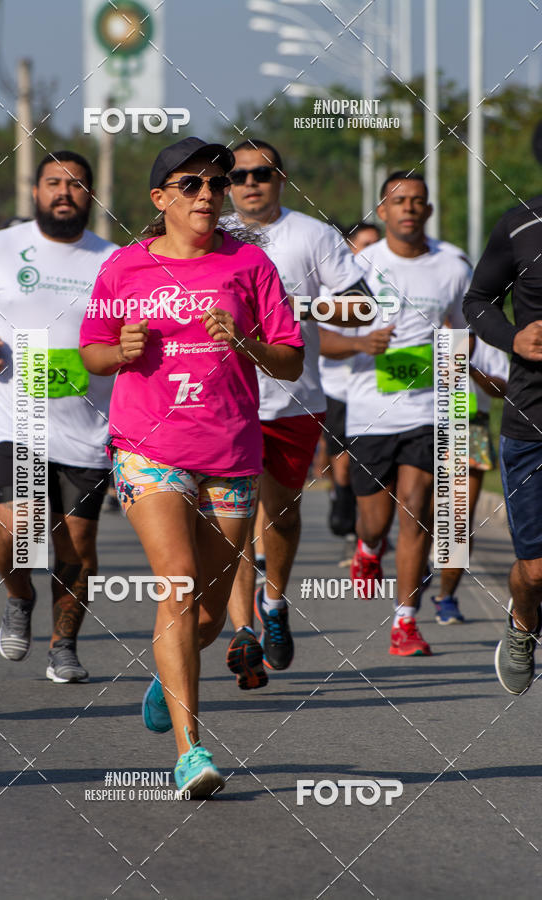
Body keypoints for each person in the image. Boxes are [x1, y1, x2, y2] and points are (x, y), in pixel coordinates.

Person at [79, 136, 304, 797]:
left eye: (216, 183)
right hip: (148, 450)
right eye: (191, 185)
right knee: (177, 583)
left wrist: (249, 343)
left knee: (207, 615)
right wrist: (117, 349)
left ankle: (165, 674)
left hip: (231, 453)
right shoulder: (125, 268)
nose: (208, 194)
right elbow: (90, 352)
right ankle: (190, 753)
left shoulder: (249, 264)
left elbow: (291, 358)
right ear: (161, 199)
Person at [0, 150, 117, 683]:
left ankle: (63, 644)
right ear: (37, 192)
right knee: (21, 530)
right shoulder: (0, 248)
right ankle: (19, 596)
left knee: (77, 545)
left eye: (76, 185)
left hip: (89, 428)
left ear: (91, 195)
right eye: (53, 183)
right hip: (16, 420)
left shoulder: (114, 260)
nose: (64, 192)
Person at [223, 139, 373, 690]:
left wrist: (294, 305)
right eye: (237, 176)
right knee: (233, 521)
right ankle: (244, 633)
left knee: (280, 516)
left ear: (280, 178)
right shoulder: (210, 235)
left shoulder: (311, 235)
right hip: (226, 402)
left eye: (261, 173)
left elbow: (361, 307)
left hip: (292, 399)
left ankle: (275, 601)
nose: (249, 183)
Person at [346, 171, 471, 656]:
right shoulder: (358, 265)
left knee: (416, 511)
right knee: (375, 522)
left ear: (429, 211)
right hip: (369, 412)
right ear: (382, 211)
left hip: (428, 408)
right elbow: (323, 335)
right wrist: (361, 341)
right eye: (399, 201)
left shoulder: (452, 265)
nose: (409, 208)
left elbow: (465, 332)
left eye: (418, 201)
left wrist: (465, 388)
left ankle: (405, 622)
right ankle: (368, 549)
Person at [463, 190, 542, 694]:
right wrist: (512, 337)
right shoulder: (519, 226)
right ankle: (522, 622)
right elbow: (476, 302)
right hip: (532, 422)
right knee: (535, 573)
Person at [430, 333, 508, 624]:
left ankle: (446, 596)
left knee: (458, 521)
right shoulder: (420, 324)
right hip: (420, 423)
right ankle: (415, 568)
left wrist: (470, 369)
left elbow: (503, 388)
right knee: (422, 517)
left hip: (468, 425)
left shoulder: (486, 333)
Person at [318, 221, 382, 543]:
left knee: (371, 465)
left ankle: (370, 529)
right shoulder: (334, 288)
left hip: (379, 389)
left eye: (376, 244)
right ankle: (343, 503)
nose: (370, 252)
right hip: (338, 386)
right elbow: (322, 339)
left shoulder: (389, 284)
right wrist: (359, 345)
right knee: (342, 464)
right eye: (364, 245)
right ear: (351, 248)